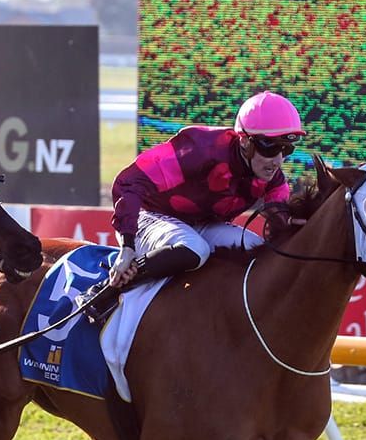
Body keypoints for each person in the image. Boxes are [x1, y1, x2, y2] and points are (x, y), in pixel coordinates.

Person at [79, 90, 305, 325]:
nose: (278, 160)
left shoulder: (273, 179)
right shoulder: (200, 150)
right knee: (194, 248)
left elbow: (279, 217)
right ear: (245, 141)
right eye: (270, 148)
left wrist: (295, 224)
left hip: (196, 224)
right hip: (148, 215)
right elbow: (128, 182)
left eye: (286, 149)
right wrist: (128, 246)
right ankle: (106, 290)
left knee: (254, 248)